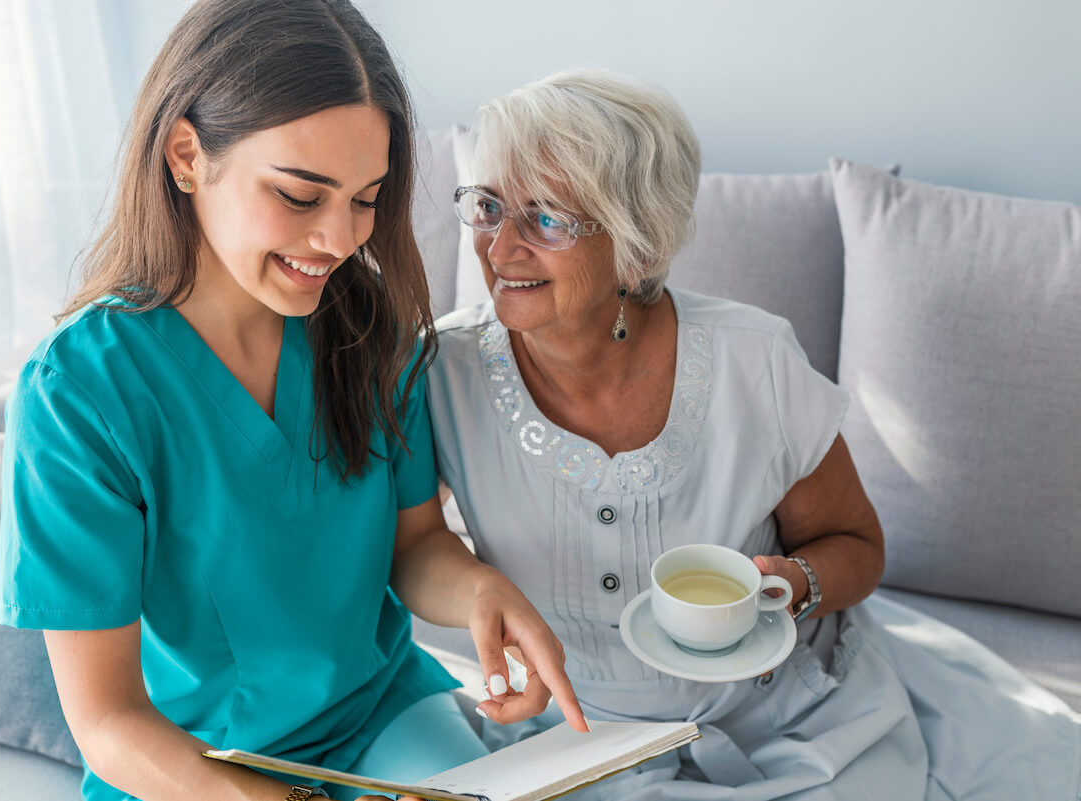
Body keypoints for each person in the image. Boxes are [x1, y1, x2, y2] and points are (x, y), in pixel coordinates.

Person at [427, 68, 1081, 800]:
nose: (499, 247)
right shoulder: (441, 372)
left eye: (545, 217)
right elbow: (406, 544)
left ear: (635, 245)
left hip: (787, 726)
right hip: (561, 737)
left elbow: (857, 548)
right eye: (487, 207)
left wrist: (795, 585)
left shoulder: (754, 360)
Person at [0, 3, 586, 801]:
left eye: (365, 198)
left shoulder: (366, 324)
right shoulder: (76, 398)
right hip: (199, 770)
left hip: (381, 717)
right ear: (186, 156)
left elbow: (413, 546)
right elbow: (106, 719)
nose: (341, 240)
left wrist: (485, 592)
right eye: (301, 196)